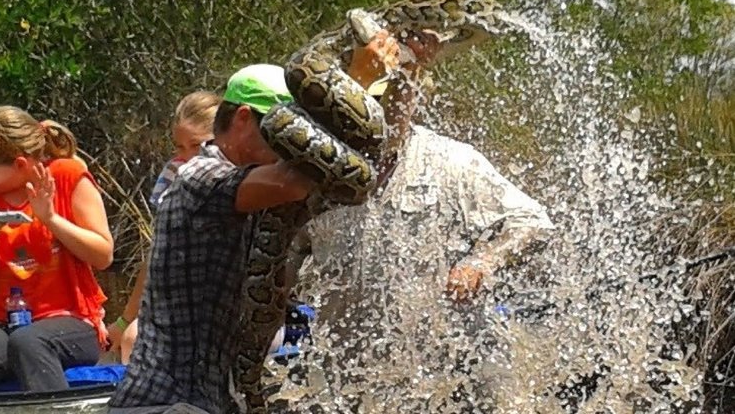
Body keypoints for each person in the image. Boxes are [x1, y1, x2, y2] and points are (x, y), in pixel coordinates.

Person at [286, 30, 557, 411]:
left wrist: (484, 261)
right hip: (353, 378)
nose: (394, 106)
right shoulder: (316, 174)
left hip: (457, 370)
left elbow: (533, 221)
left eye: (403, 94)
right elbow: (283, 261)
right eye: (382, 98)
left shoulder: (454, 162)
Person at [107, 64, 318, 414]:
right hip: (163, 403)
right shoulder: (200, 174)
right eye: (285, 134)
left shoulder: (248, 189)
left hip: (204, 401)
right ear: (244, 119)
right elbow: (297, 181)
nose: (290, 149)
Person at [0, 105, 114, 393]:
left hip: (73, 322)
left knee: (29, 341)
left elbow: (103, 255)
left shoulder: (67, 176)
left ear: (20, 164)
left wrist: (51, 219)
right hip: (5, 323)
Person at [105, 91, 220, 365]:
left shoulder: (231, 178)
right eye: (181, 147)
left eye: (199, 145)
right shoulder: (174, 174)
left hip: (217, 300)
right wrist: (124, 319)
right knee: (130, 336)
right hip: (177, 299)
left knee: (137, 339)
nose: (190, 157)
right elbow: (157, 255)